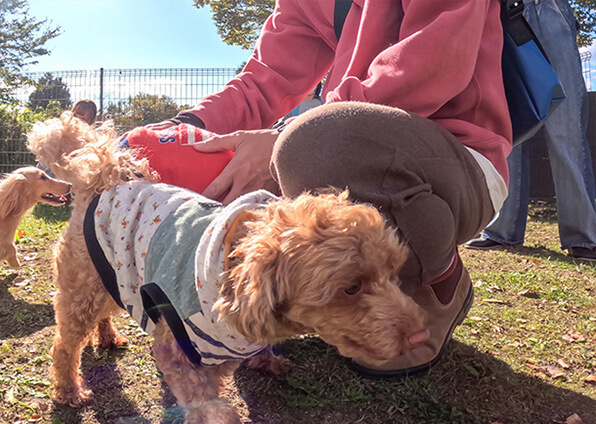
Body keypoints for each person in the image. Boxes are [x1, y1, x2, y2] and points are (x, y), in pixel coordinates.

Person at [148, 0, 513, 378]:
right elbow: (264, 78)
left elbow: (431, 61)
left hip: (461, 157)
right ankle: (347, 291)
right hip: (340, 139)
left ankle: (436, 276)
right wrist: (178, 132)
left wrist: (279, 140)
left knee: (308, 145)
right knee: (231, 162)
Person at [464, 0, 596, 262]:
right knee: (509, 126)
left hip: (549, 8)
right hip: (502, 12)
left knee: (566, 128)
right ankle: (502, 229)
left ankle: (582, 235)